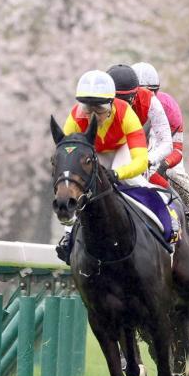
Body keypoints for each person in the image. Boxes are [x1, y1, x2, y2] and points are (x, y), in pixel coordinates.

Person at [55, 70, 150, 262]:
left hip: (120, 150)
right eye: (87, 110)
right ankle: (68, 235)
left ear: (111, 105)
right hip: (92, 153)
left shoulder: (126, 114)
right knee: (75, 186)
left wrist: (117, 173)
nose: (91, 116)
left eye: (98, 110)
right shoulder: (75, 116)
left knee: (135, 180)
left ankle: (164, 226)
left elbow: (140, 161)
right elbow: (66, 156)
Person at [131, 62, 189, 250]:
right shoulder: (124, 107)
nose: (147, 98)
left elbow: (176, 149)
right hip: (132, 156)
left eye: (152, 92)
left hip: (163, 154)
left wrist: (164, 164)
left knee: (177, 176)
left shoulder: (169, 107)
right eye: (140, 93)